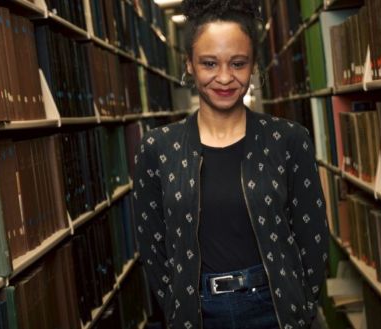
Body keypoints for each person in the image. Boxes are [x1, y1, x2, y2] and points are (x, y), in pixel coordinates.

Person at [132, 0, 329, 328]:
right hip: (197, 315)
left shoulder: (289, 140)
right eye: (209, 63)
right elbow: (153, 250)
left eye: (238, 63)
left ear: (253, 66)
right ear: (190, 65)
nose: (224, 78)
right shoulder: (157, 148)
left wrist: (301, 307)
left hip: (278, 310)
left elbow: (313, 238)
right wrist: (178, 307)